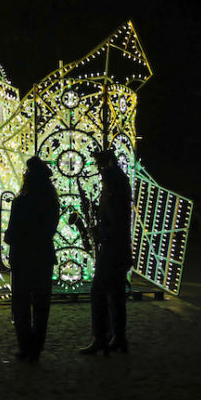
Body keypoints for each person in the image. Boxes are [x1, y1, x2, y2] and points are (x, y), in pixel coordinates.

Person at [3, 156, 60, 362]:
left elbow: (10, 235)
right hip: (44, 256)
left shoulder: (21, 202)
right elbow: (50, 230)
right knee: (42, 304)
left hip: (22, 257)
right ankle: (37, 346)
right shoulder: (52, 202)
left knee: (21, 303)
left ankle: (24, 345)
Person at [80, 149, 133, 355]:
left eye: (98, 164)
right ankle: (119, 337)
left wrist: (99, 232)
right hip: (118, 248)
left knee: (98, 291)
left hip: (112, 248)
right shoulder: (117, 181)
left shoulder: (113, 181)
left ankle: (100, 337)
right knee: (116, 293)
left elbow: (116, 221)